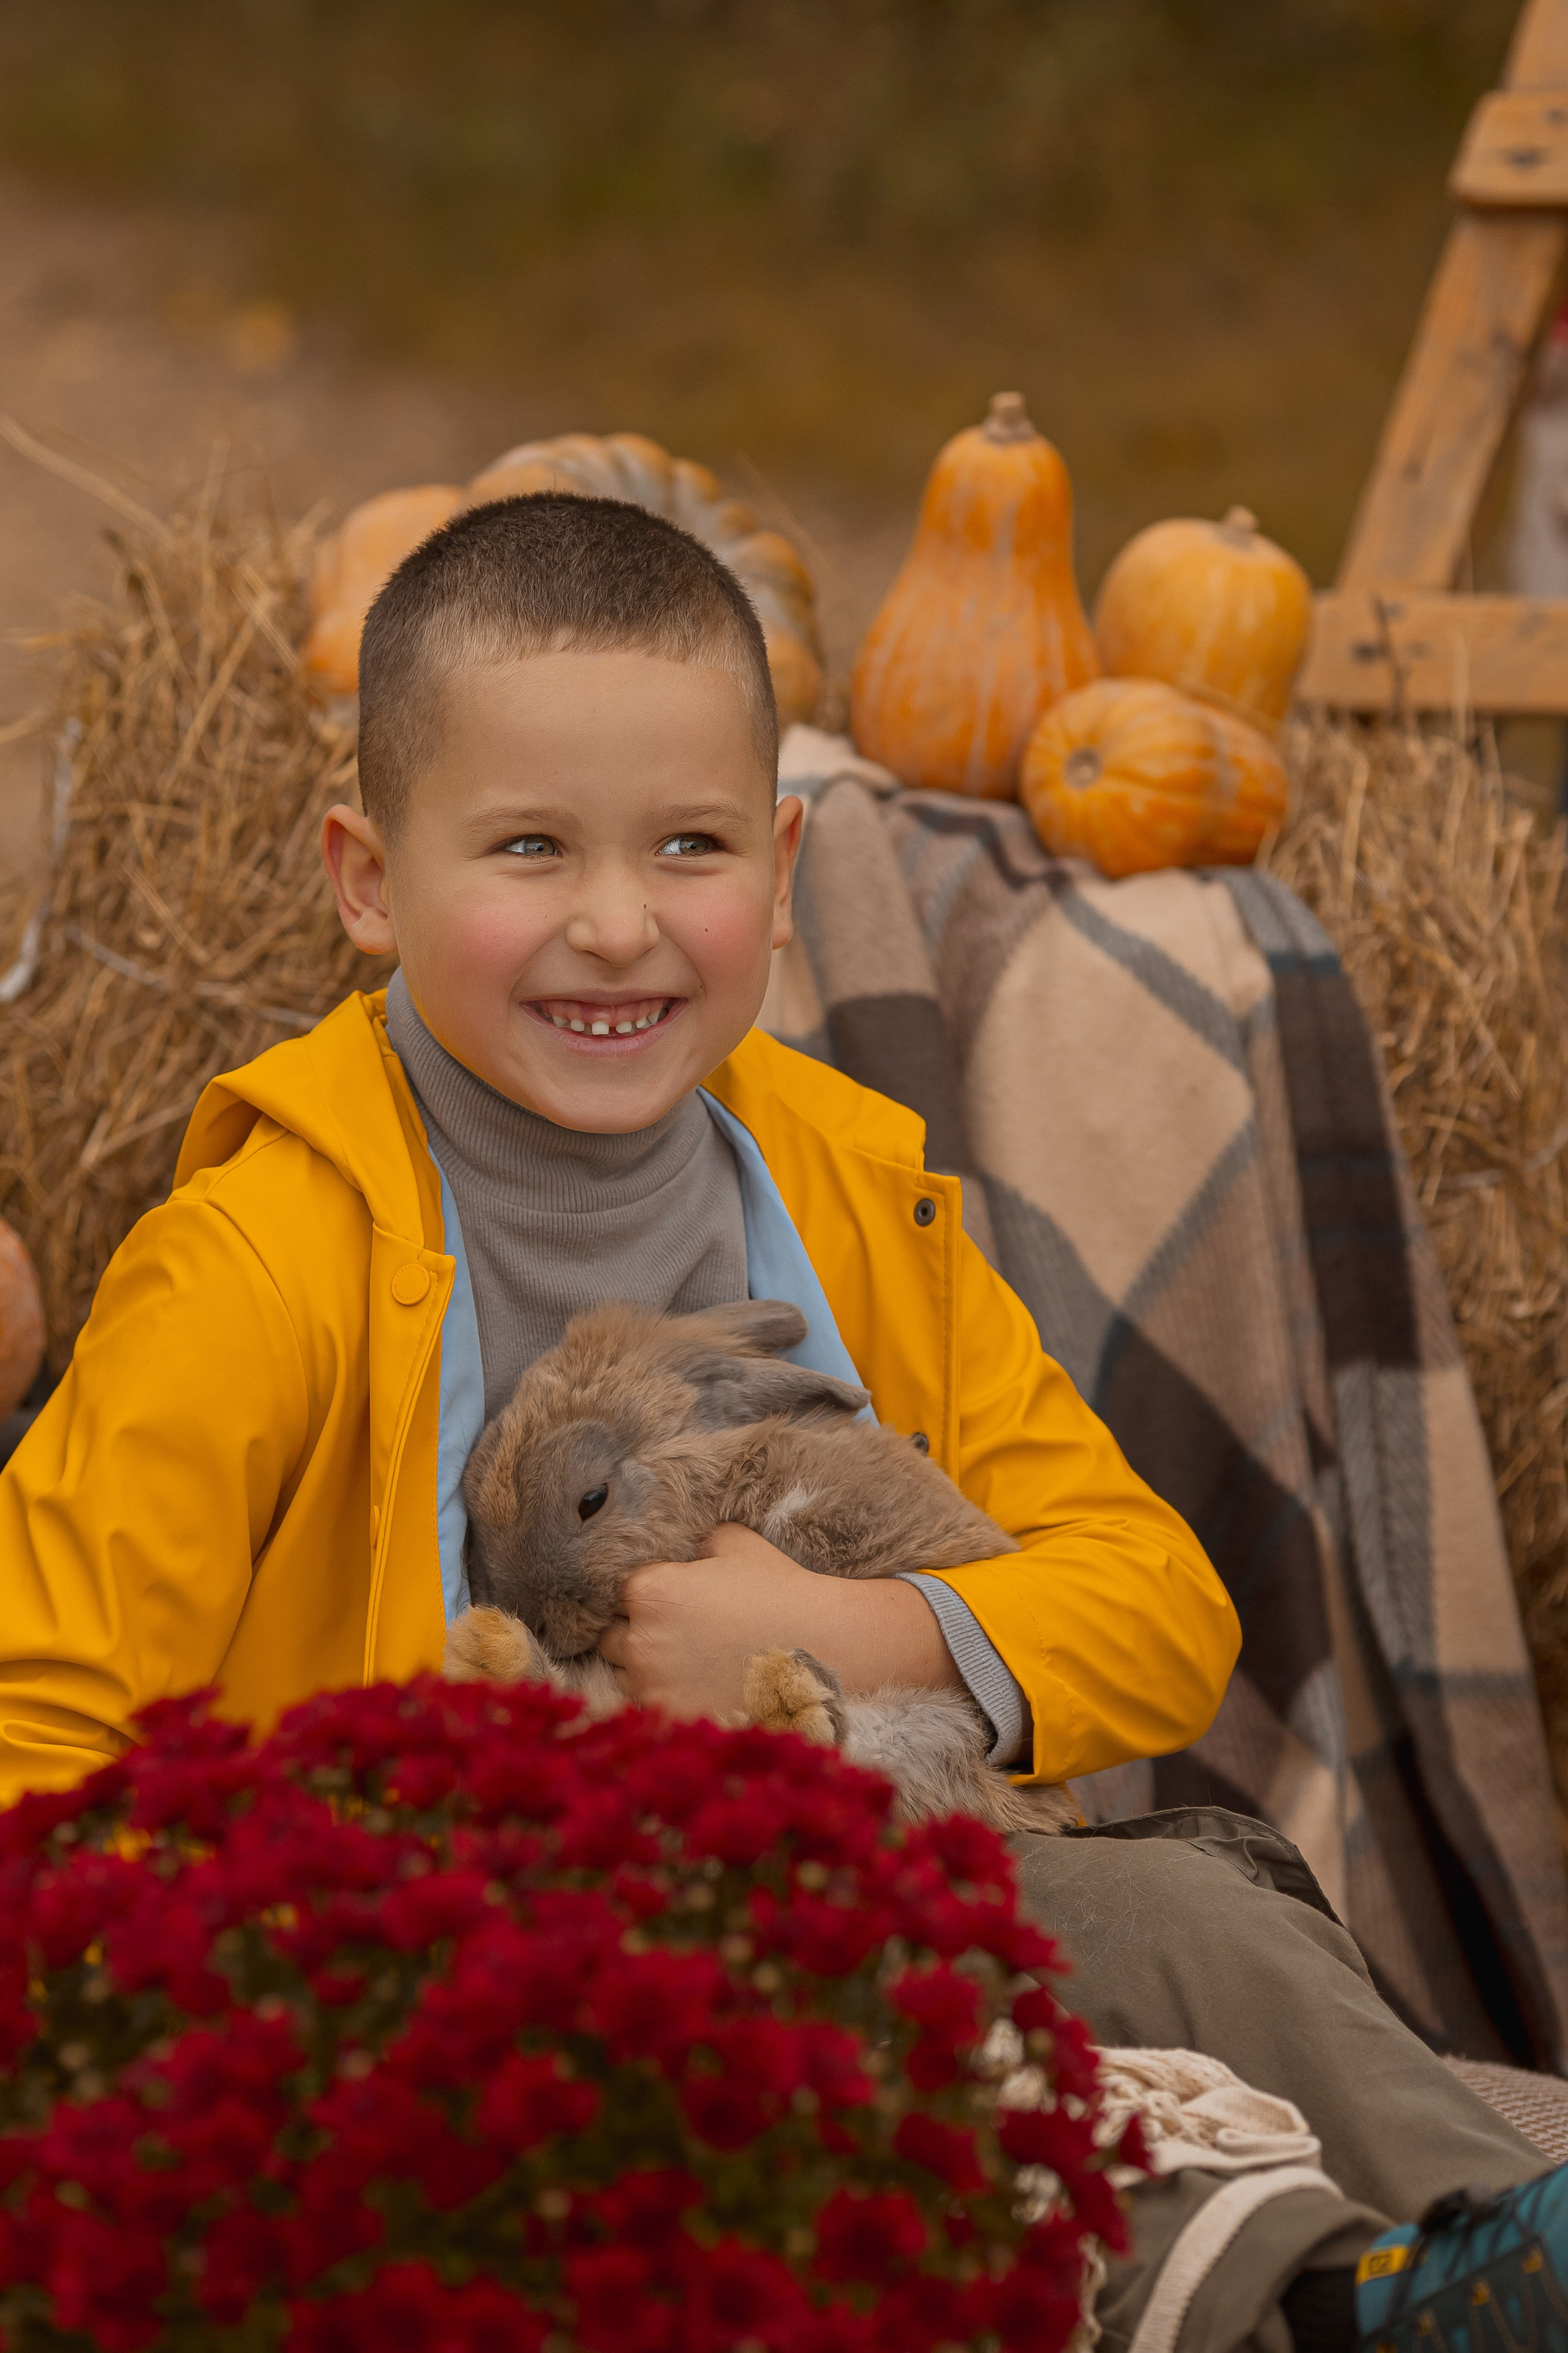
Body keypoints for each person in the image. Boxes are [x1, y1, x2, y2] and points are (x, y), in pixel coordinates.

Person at [0, 492, 1560, 2351]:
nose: (617, 924)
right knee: (886, 2077)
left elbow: (1157, 1604)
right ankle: (1307, 2304)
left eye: (691, 844)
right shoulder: (255, 1263)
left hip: (865, 1871)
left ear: (785, 856)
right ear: (365, 875)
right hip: (490, 1971)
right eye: (527, 847)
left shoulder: (851, 1195)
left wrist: (844, 1630)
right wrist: (275, 2014)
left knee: (1193, 1919)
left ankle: (1498, 2249)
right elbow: (38, 1732)